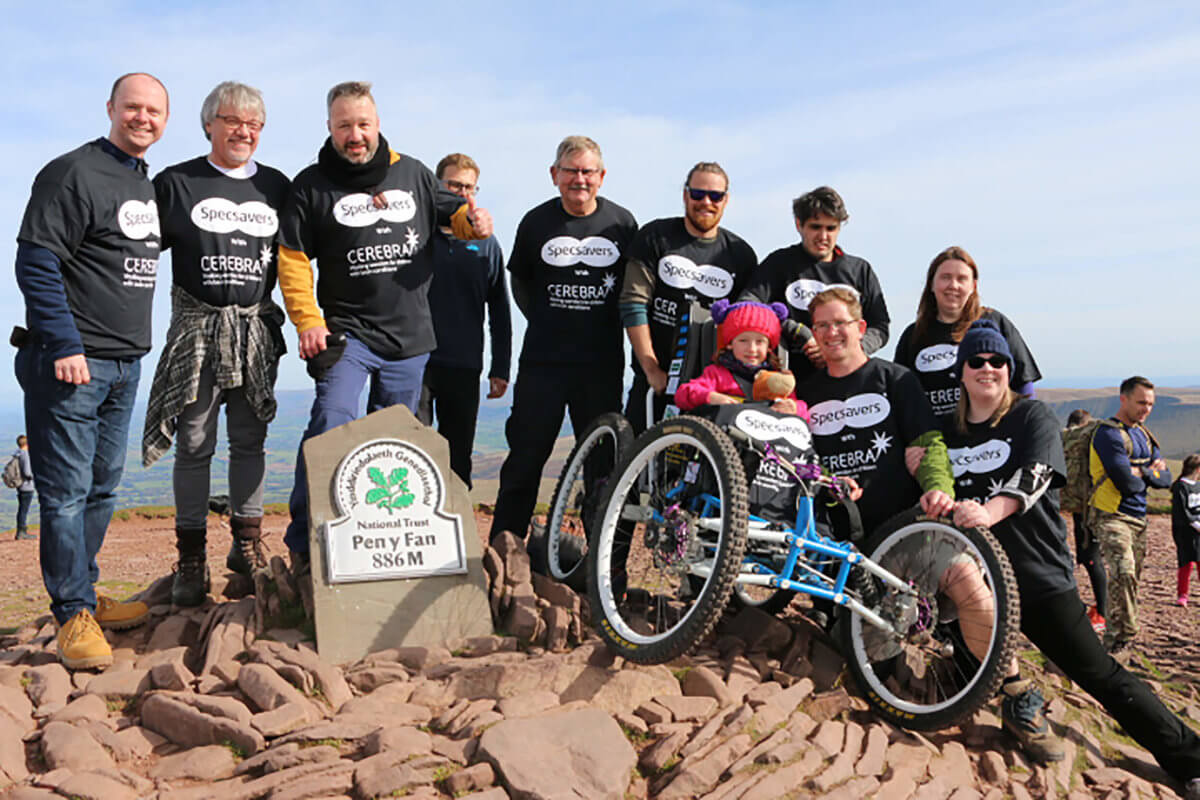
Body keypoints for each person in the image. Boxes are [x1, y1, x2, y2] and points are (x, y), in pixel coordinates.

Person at [928, 320, 1200, 796]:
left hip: (1038, 577)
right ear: (962, 370)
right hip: (976, 582)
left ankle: (1189, 758)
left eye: (998, 361)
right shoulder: (945, 434)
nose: (987, 369)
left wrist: (989, 511)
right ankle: (1012, 703)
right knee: (968, 665)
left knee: (1099, 674)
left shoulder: (1032, 418)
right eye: (977, 360)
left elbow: (1035, 476)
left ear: (1010, 369)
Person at [276, 82, 493, 564]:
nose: (355, 135)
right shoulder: (310, 185)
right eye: (344, 125)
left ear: (377, 124)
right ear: (329, 128)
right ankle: (304, 545)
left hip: (410, 338)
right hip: (348, 333)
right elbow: (291, 259)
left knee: (394, 446)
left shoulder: (411, 172)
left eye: (363, 124)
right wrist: (307, 321)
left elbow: (452, 211)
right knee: (332, 423)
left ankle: (381, 544)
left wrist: (472, 222)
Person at [13, 73, 169, 669]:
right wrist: (65, 344)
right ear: (111, 107)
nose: (143, 118)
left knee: (103, 487)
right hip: (72, 364)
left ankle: (87, 593)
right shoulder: (71, 172)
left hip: (126, 364)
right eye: (133, 107)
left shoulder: (142, 183)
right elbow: (36, 261)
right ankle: (72, 615)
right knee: (65, 496)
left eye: (154, 111)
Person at [142, 81, 290, 606]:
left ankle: (246, 546)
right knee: (195, 445)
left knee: (250, 441)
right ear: (209, 124)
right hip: (196, 334)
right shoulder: (176, 183)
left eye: (254, 123)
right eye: (232, 120)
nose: (243, 130)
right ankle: (190, 558)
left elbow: (301, 255)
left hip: (254, 333)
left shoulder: (278, 187)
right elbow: (132, 250)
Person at [490, 136, 636, 542]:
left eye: (588, 171)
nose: (579, 179)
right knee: (525, 459)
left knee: (602, 469)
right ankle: (505, 549)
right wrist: (545, 319)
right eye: (570, 170)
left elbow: (632, 289)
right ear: (554, 175)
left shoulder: (622, 224)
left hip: (602, 366)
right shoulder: (536, 222)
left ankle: (602, 567)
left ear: (601, 177)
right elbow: (520, 282)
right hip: (543, 364)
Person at [799, 287, 954, 537]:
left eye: (840, 323)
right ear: (814, 333)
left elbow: (929, 445)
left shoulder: (897, 379)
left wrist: (937, 489)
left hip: (903, 532)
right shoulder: (804, 394)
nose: (831, 332)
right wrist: (830, 482)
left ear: (860, 328)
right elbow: (800, 461)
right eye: (822, 325)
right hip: (835, 540)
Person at [619, 161, 757, 432]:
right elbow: (633, 302)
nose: (706, 202)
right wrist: (651, 370)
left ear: (726, 200)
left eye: (715, 196)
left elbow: (745, 324)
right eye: (698, 194)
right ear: (685, 195)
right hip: (655, 380)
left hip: (712, 385)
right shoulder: (655, 236)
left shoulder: (741, 254)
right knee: (636, 463)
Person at [417, 153, 511, 489]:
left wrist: (500, 367)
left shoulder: (486, 244)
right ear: (436, 186)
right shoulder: (416, 235)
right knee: (413, 453)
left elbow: (500, 307)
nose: (461, 193)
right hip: (416, 361)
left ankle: (458, 535)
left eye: (469, 187)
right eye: (454, 184)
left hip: (464, 364)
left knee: (458, 458)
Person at [739, 186, 889, 383]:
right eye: (815, 227)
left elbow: (880, 326)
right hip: (791, 380)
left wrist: (848, 348)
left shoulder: (859, 270)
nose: (823, 236)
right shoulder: (780, 263)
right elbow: (748, 305)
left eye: (831, 228)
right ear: (799, 225)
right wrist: (799, 333)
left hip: (849, 378)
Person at [892, 246, 1041, 422]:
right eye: (945, 277)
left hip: (992, 437)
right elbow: (902, 397)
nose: (953, 285)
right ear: (932, 284)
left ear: (973, 286)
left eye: (962, 278)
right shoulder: (913, 335)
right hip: (937, 440)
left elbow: (1023, 384)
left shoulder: (995, 323)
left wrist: (1025, 425)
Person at [1089, 375, 1170, 654]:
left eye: (1150, 404)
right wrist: (1149, 472)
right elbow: (1127, 483)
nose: (1145, 409)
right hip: (1111, 515)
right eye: (1140, 402)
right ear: (1123, 399)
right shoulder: (1108, 434)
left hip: (1139, 519)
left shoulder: (1145, 435)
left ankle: (1117, 639)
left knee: (1130, 577)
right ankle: (1120, 635)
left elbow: (1166, 479)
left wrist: (1142, 472)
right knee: (1123, 572)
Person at [674, 299, 805, 419]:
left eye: (759, 342)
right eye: (743, 341)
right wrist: (710, 397)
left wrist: (794, 408)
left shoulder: (778, 380)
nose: (752, 349)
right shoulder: (717, 373)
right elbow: (682, 395)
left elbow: (804, 412)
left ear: (769, 347)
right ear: (730, 344)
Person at [1065, 408, 1108, 633]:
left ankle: (1102, 611)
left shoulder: (1063, 437)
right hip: (1091, 503)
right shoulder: (1091, 438)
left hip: (1073, 504)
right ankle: (1102, 610)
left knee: (1088, 556)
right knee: (1091, 557)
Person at [1171, 454, 1200, 607]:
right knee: (1185, 564)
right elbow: (1182, 511)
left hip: (1198, 533)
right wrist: (1195, 525)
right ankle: (1183, 595)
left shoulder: (1199, 485)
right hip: (1185, 532)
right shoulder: (1180, 487)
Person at [13, 435, 35, 540]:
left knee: (21, 509)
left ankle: (20, 531)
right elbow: (27, 472)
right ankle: (22, 532)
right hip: (27, 486)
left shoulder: (17, 454)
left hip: (20, 485)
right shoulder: (25, 454)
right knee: (24, 509)